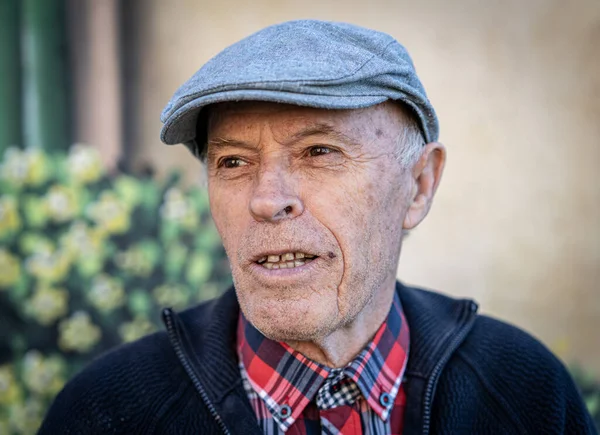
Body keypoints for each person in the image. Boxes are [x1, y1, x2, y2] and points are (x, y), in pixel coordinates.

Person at [39, 20, 596, 435]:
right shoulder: (106, 412)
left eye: (319, 152)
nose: (267, 200)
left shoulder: (524, 391)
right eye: (233, 162)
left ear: (420, 184)